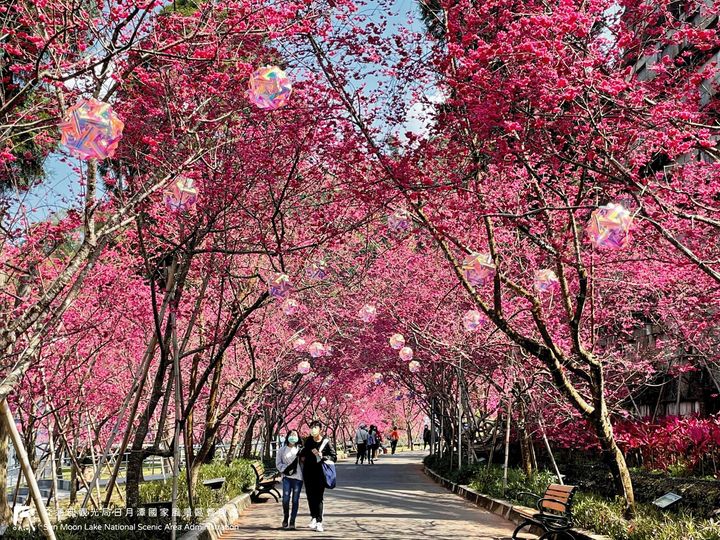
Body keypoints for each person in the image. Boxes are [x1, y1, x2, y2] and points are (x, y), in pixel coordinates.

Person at [299, 420, 337, 532]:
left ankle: (319, 521)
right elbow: (303, 453)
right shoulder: (308, 441)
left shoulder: (326, 442)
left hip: (321, 473)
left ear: (320, 429)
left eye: (315, 427)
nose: (313, 429)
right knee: (310, 496)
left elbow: (333, 456)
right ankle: (313, 517)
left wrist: (323, 456)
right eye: (311, 427)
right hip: (308, 472)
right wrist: (302, 456)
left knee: (319, 497)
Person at [275, 429, 303, 529]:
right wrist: (285, 470)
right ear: (287, 436)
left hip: (298, 478)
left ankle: (292, 521)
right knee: (286, 499)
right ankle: (286, 517)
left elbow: (305, 463)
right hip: (287, 477)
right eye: (291, 434)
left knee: (295, 500)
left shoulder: (300, 450)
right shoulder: (282, 450)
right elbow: (278, 463)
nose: (293, 436)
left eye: (295, 435)